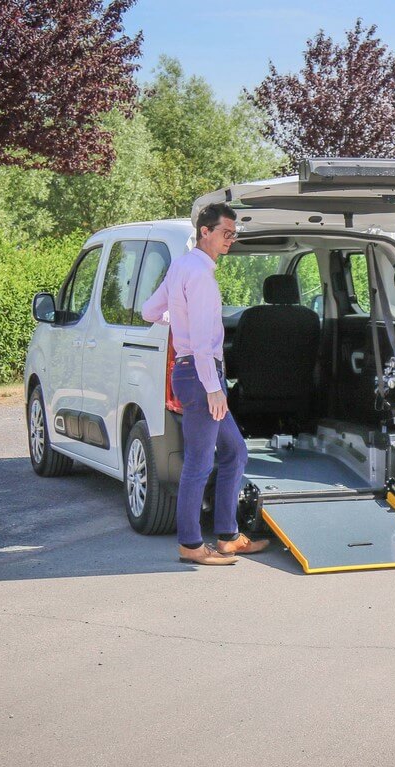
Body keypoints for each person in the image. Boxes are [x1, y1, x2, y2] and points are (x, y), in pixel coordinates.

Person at [140, 203, 268, 566]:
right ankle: (191, 544)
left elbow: (150, 312)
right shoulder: (199, 275)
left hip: (193, 373)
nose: (231, 239)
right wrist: (213, 388)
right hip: (201, 376)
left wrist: (174, 319)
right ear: (205, 231)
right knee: (199, 463)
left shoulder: (181, 267)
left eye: (234, 233)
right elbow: (199, 339)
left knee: (234, 452)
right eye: (226, 232)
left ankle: (227, 536)